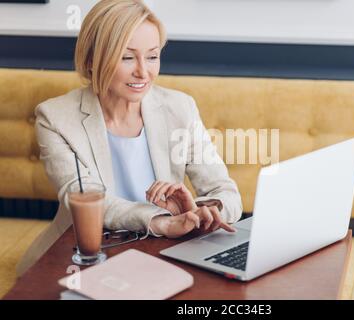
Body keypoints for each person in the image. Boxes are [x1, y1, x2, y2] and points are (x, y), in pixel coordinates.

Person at [17, 0, 242, 276]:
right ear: (92, 59)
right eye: (127, 57)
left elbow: (226, 193)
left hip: (160, 252)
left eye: (152, 56)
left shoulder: (180, 108)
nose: (143, 72)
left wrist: (202, 212)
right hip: (84, 256)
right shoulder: (55, 118)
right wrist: (160, 221)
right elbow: (90, 199)